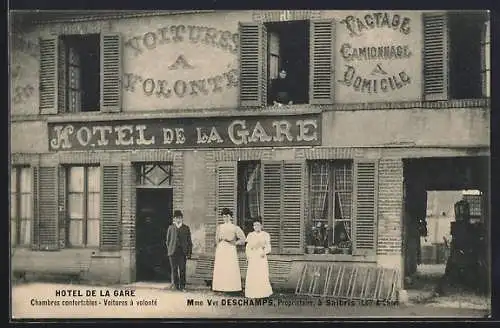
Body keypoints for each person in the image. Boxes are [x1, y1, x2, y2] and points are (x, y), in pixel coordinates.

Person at [212, 208, 246, 294]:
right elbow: (216, 240)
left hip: (230, 249)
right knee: (221, 267)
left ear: (230, 217)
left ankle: (231, 288)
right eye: (224, 216)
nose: (225, 218)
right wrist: (218, 243)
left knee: (230, 267)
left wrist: (235, 243)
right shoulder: (219, 227)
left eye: (227, 216)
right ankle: (220, 287)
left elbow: (243, 239)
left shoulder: (235, 228)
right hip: (221, 249)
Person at [244, 217, 273, 299]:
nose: (256, 227)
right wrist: (248, 257)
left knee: (262, 274)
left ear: (261, 225)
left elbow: (269, 247)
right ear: (253, 226)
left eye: (258, 225)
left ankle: (262, 293)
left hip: (261, 256)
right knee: (253, 274)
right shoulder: (250, 235)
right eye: (255, 225)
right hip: (253, 256)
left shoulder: (265, 235)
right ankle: (252, 293)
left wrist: (264, 252)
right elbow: (247, 248)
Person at [165, 210, 193, 291]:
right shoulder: (171, 228)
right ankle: (176, 286)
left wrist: (189, 253)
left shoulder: (186, 228)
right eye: (176, 218)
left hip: (182, 252)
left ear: (182, 218)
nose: (178, 219)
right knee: (174, 270)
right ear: (174, 219)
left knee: (182, 269)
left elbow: (189, 241)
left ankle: (183, 286)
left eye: (180, 218)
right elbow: (168, 240)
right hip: (173, 252)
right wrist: (170, 250)